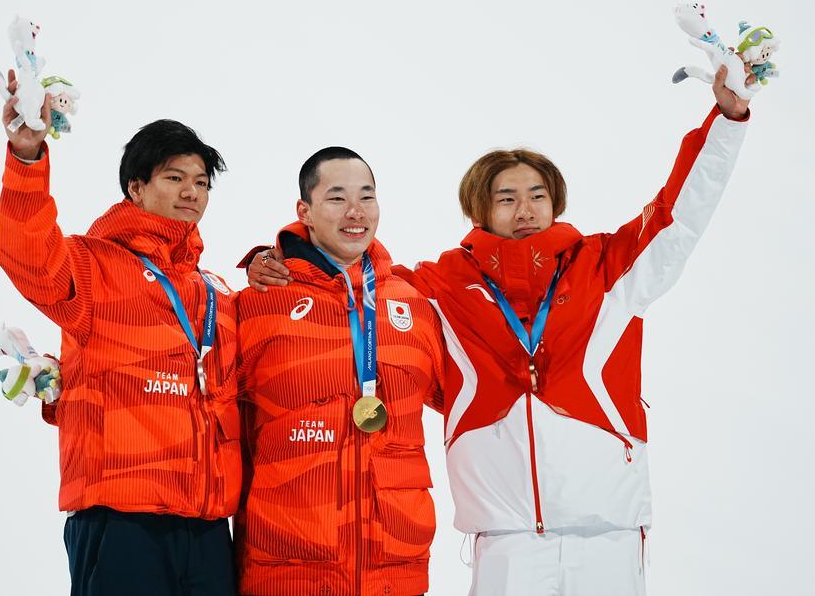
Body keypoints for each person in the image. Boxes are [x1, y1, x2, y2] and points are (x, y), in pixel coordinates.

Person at [247, 66, 751, 595]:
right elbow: (346, 279)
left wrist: (727, 119)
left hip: (609, 532)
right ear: (479, 209)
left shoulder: (608, 268)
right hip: (505, 540)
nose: (525, 210)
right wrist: (278, 257)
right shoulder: (440, 286)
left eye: (537, 195)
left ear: (556, 201)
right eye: (506, 198)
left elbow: (679, 214)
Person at [0, 71, 240, 596]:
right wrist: (27, 158)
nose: (191, 192)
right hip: (122, 522)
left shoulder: (215, 293)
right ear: (136, 187)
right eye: (175, 178)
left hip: (207, 527)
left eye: (201, 183)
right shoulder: (93, 267)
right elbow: (28, 255)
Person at [233, 147, 445, 596]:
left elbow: (469, 399)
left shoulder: (412, 305)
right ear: (304, 212)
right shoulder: (257, 305)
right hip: (289, 575)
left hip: (395, 573)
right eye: (337, 198)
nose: (356, 212)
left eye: (367, 196)